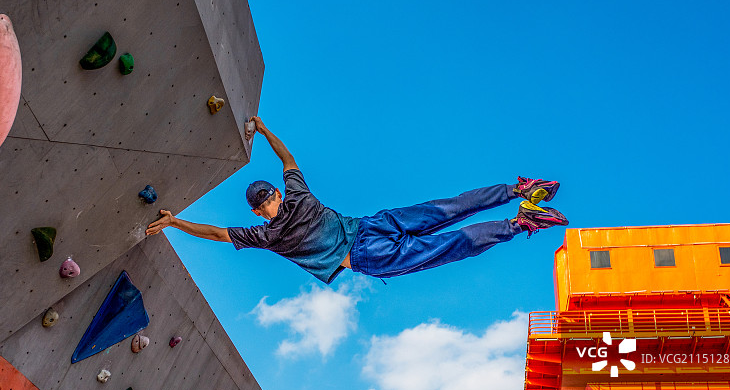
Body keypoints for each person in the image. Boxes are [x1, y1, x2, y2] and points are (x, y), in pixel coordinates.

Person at [145, 117, 568, 284]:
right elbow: (288, 159)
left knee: (449, 246)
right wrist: (264, 128)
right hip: (373, 223)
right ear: (276, 194)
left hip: (365, 254)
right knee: (445, 208)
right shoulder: (297, 194)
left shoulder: (265, 235)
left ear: (257, 209)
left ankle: (520, 222)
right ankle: (519, 189)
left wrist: (176, 222)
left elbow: (218, 234)